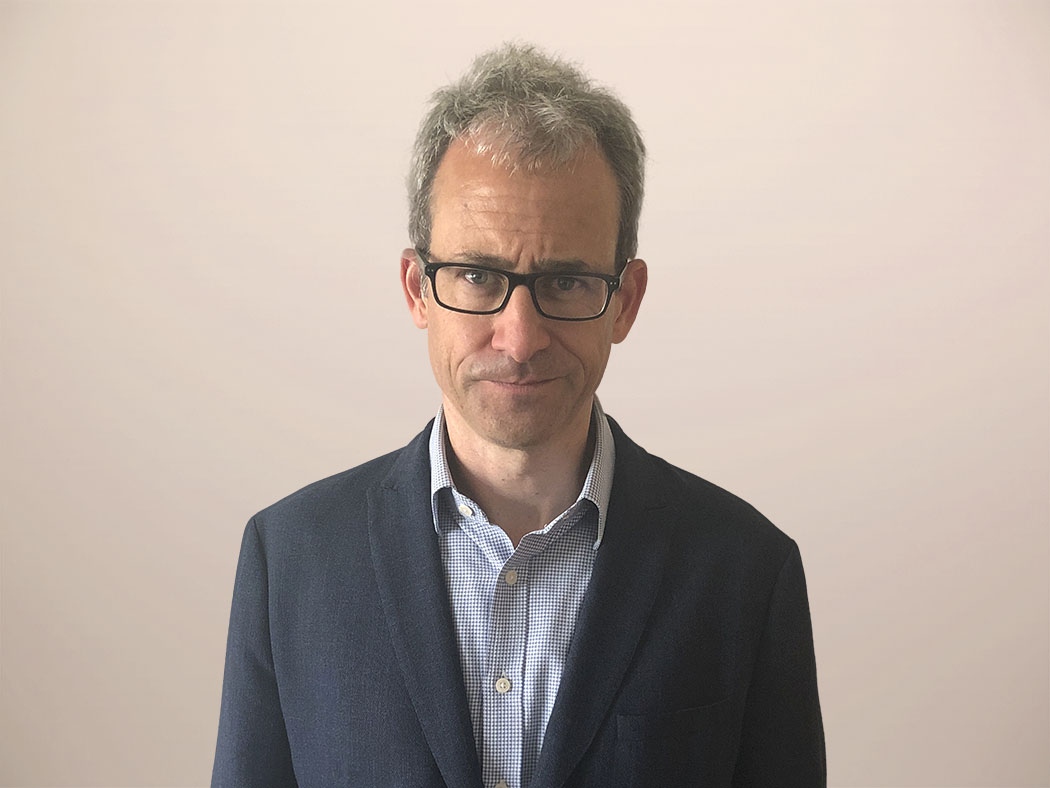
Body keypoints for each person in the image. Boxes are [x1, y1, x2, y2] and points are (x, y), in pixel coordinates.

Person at [211, 43, 826, 788]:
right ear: (416, 288)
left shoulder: (745, 574)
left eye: (565, 280)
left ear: (625, 301)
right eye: (477, 275)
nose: (520, 336)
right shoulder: (291, 561)